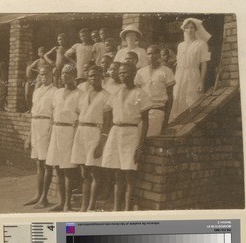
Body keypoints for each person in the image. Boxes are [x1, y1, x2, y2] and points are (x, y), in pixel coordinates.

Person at [102, 63, 152, 211]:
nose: (123, 75)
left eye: (127, 73)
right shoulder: (116, 92)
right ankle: (117, 209)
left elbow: (146, 121)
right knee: (117, 173)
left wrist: (140, 146)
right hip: (116, 131)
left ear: (134, 74)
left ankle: (127, 210)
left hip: (131, 133)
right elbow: (108, 112)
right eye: (121, 73)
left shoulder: (141, 94)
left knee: (129, 173)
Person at [34, 64, 82, 212]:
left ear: (74, 76)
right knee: (57, 168)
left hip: (69, 132)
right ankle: (61, 202)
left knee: (67, 169)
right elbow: (53, 112)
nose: (64, 77)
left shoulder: (80, 94)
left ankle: (67, 204)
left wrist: (77, 123)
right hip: (55, 130)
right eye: (62, 74)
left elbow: (82, 114)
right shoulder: (58, 93)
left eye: (68, 74)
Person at [70, 65, 111, 212]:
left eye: (96, 76)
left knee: (95, 172)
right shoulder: (83, 95)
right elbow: (80, 114)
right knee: (84, 173)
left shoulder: (107, 96)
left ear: (102, 78)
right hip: (81, 132)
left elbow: (107, 122)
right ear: (88, 78)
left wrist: (101, 142)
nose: (93, 78)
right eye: (91, 76)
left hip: (95, 133)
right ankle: (83, 206)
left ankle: (91, 206)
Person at [23, 66, 58, 206]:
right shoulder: (37, 91)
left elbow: (54, 114)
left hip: (46, 125)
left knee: (47, 163)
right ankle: (38, 195)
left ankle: (44, 197)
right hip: (35, 124)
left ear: (51, 75)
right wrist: (29, 136)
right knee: (39, 163)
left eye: (45, 74)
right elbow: (33, 114)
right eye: (41, 75)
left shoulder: (55, 91)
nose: (43, 77)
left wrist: (50, 134)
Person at [169, 18, 211, 122]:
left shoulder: (201, 44)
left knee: (191, 98)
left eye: (192, 28)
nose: (189, 30)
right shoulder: (181, 45)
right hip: (179, 75)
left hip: (193, 75)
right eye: (187, 28)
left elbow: (204, 63)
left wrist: (201, 81)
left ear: (196, 29)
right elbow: (179, 62)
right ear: (184, 30)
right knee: (177, 98)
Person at [134, 45, 175, 136]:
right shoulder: (141, 72)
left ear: (159, 55)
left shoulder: (167, 71)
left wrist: (166, 117)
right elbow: (137, 94)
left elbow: (170, 96)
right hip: (142, 112)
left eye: (154, 53)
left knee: (150, 138)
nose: (151, 56)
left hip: (157, 110)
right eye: (149, 54)